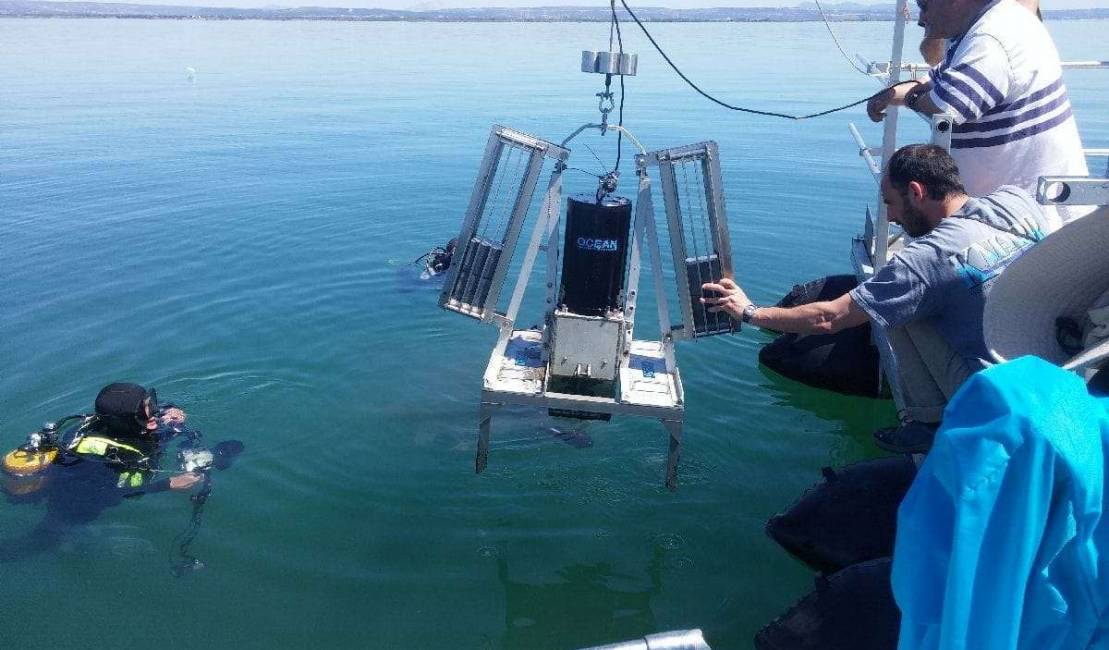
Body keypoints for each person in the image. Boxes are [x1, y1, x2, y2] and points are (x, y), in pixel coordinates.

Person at [703, 144, 1055, 453]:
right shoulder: (1015, 202)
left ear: (916, 192)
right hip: (1055, 373)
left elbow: (830, 317)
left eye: (890, 203)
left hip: (998, 405)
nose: (891, 216)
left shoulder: (925, 260)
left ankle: (929, 422)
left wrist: (750, 312)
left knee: (891, 306)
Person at [868, 0, 1090, 226]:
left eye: (924, 5)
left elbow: (946, 106)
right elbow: (937, 81)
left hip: (1024, 224)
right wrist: (891, 95)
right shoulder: (992, 24)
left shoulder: (991, 41)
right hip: (1008, 212)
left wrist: (911, 99)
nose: (921, 18)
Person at [1, 382, 238, 563]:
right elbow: (107, 493)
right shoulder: (98, 457)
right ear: (126, 421)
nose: (154, 414)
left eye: (152, 405)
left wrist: (169, 411)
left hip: (79, 488)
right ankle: (79, 540)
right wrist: (167, 484)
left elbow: (146, 427)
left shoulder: (115, 424)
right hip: (74, 510)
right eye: (147, 411)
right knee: (43, 542)